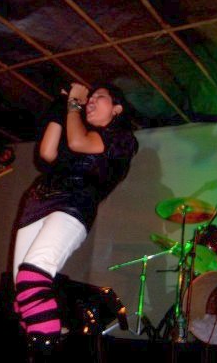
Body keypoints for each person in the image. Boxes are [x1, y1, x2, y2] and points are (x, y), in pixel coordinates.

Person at [12, 82, 139, 352]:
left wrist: (74, 104)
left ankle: (48, 347)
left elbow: (78, 142)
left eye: (99, 97)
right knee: (22, 298)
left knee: (32, 277)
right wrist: (64, 105)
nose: (90, 100)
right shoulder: (76, 128)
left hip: (73, 204)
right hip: (37, 202)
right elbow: (47, 153)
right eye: (89, 97)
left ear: (117, 109)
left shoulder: (122, 138)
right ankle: (46, 338)